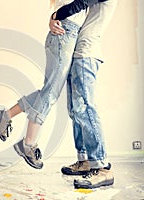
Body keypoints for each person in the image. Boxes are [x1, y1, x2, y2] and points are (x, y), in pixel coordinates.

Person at [0, 0, 90, 170]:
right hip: (65, 32)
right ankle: (28, 144)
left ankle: (5, 115)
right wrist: (55, 16)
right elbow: (79, 4)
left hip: (65, 32)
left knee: (48, 91)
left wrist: (54, 16)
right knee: (50, 93)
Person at [50, 0, 117, 189]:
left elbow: (78, 5)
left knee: (84, 108)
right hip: (77, 52)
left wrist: (55, 15)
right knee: (75, 110)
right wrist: (54, 18)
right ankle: (85, 160)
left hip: (87, 53)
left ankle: (102, 167)